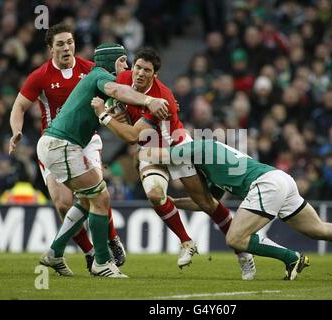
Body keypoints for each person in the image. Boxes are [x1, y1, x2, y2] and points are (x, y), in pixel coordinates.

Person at [91, 47, 256, 280]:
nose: (139, 73)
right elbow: (120, 106)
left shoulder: (162, 99)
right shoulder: (124, 79)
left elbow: (130, 136)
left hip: (175, 147)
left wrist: (104, 115)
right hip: (149, 147)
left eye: (146, 70)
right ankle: (186, 242)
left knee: (206, 203)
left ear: (154, 75)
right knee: (155, 194)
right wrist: (114, 109)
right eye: (137, 67)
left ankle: (244, 255)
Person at [139, 139, 332, 281]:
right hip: (280, 179)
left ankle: (291, 258)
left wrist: (139, 149)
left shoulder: (197, 146)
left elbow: (160, 153)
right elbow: (207, 204)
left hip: (265, 184)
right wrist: (172, 201)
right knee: (317, 229)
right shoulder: (211, 165)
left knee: (235, 238)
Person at [36, 42, 169, 278]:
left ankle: (55, 252)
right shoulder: (100, 76)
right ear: (113, 62)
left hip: (60, 144)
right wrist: (149, 101)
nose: (126, 67)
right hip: (62, 145)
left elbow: (120, 122)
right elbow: (117, 91)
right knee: (101, 197)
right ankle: (101, 262)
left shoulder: (96, 81)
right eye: (123, 62)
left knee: (89, 200)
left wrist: (111, 114)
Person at [8, 23, 127, 271]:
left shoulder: (90, 69)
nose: (66, 48)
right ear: (51, 49)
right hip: (56, 142)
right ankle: (89, 252)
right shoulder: (40, 75)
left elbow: (112, 94)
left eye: (70, 42)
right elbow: (19, 106)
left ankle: (111, 238)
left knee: (95, 191)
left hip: (87, 140)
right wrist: (16, 131)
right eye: (60, 44)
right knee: (64, 203)